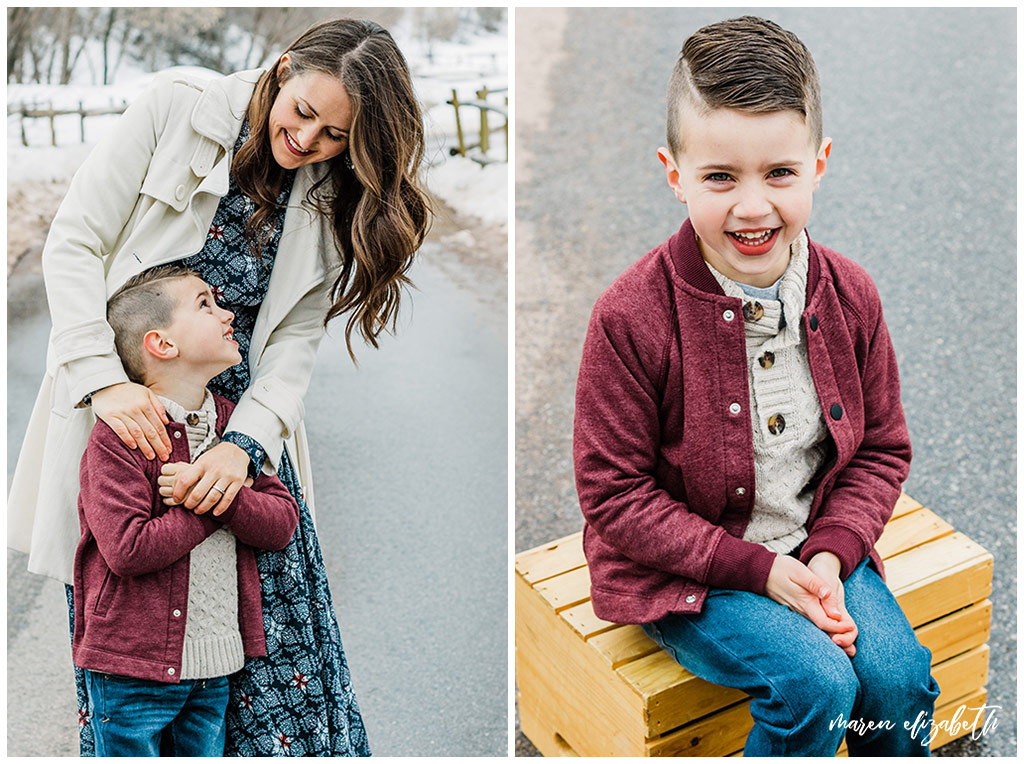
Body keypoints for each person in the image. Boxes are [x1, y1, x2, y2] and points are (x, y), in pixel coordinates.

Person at [9, 17, 431, 756]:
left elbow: (297, 338)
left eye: (336, 135)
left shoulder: (332, 188)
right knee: (136, 670)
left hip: (240, 443)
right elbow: (73, 241)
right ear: (283, 65)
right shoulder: (175, 108)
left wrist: (244, 446)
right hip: (130, 419)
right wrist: (104, 383)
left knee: (282, 673)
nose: (309, 143)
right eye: (303, 112)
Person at [573, 16, 939, 756]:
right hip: (691, 569)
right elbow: (613, 495)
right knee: (816, 685)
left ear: (819, 163)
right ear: (674, 173)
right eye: (719, 176)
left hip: (818, 547)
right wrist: (762, 572)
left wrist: (832, 555)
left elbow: (880, 448)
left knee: (896, 680)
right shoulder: (629, 316)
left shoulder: (851, 295)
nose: (751, 206)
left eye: (779, 173)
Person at [74, 266, 300, 756]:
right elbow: (128, 549)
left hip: (214, 669)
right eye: (205, 305)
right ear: (162, 344)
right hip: (131, 669)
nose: (227, 313)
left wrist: (223, 492)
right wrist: (211, 507)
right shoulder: (120, 438)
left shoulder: (229, 426)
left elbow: (282, 521)